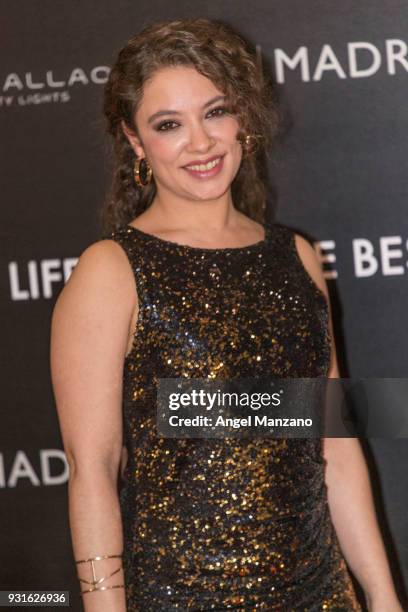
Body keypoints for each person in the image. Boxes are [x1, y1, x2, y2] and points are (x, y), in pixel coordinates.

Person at [50, 17, 403, 612]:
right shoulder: (111, 272)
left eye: (215, 112)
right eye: (169, 125)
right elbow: (93, 471)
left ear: (243, 117)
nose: (202, 142)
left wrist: (383, 596)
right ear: (136, 142)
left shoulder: (297, 258)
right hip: (178, 599)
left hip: (319, 594)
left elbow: (335, 446)